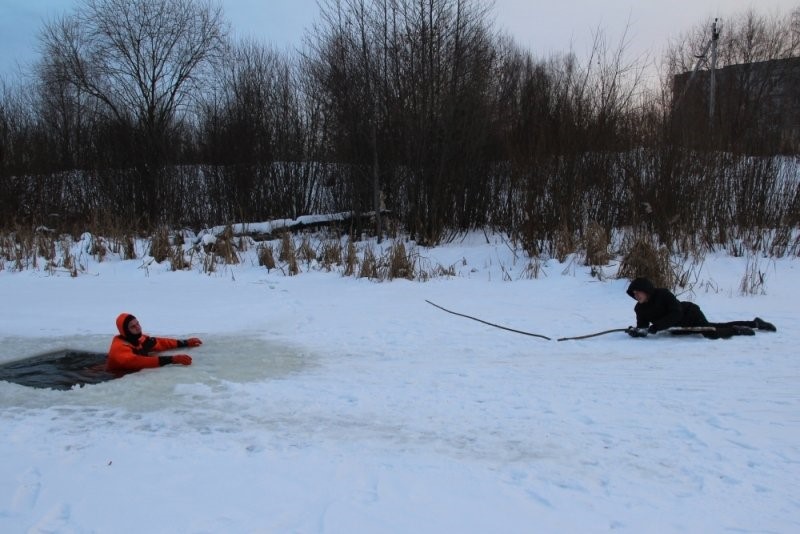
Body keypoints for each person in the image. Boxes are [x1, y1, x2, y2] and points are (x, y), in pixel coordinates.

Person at [625, 277, 776, 339]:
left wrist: (657, 326)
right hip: (677, 327)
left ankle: (738, 330)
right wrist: (637, 331)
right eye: (634, 293)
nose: (637, 295)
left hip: (689, 314)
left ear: (647, 290)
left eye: (639, 292)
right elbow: (643, 326)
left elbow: (676, 314)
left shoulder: (663, 294)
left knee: (710, 332)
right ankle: (755, 323)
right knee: (714, 326)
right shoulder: (640, 309)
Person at [107, 313, 202, 374]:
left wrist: (185, 343)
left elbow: (159, 343)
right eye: (133, 327)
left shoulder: (138, 339)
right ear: (125, 331)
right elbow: (139, 361)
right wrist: (172, 359)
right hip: (111, 376)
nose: (138, 327)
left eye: (137, 323)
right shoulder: (119, 349)